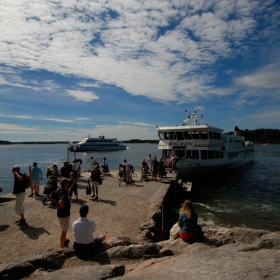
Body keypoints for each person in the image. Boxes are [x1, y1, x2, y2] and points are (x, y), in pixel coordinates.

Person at [48, 178, 71, 248]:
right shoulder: (63, 193)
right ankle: (62, 246)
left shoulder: (58, 190)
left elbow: (50, 196)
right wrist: (59, 205)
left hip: (60, 214)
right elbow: (60, 202)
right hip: (64, 214)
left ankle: (64, 240)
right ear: (66, 185)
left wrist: (55, 203)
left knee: (64, 230)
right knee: (64, 231)